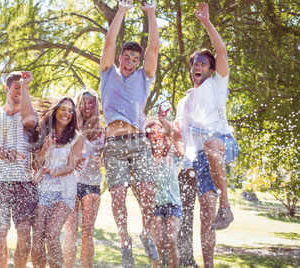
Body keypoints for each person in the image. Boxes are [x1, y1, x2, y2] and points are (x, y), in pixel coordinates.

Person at [174, 3, 239, 267]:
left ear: (210, 70)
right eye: (195, 64)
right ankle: (208, 264)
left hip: (224, 145)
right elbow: (180, 136)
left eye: (203, 63)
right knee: (206, 213)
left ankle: (227, 206)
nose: (198, 66)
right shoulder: (184, 102)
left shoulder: (217, 83)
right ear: (191, 71)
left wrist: (206, 23)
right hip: (200, 159)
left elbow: (221, 51)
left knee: (212, 143)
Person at [99, 0, 160, 265]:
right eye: (127, 57)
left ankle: (145, 233)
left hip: (138, 142)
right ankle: (126, 242)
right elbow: (109, 42)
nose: (131, 62)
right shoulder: (108, 74)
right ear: (120, 58)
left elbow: (155, 48)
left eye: (135, 59)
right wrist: (122, 10)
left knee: (147, 190)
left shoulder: (144, 77)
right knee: (119, 194)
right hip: (114, 144)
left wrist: (151, 12)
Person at [0, 71, 38, 268]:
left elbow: (31, 122)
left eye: (22, 89)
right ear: (6, 89)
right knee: (0, 230)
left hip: (24, 183)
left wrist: (25, 86)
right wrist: (6, 154)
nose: (18, 93)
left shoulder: (30, 113)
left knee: (24, 233)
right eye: (15, 88)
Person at [31, 97, 84, 268]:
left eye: (70, 111)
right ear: (55, 110)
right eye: (63, 109)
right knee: (38, 236)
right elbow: (35, 165)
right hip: (43, 191)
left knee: (52, 233)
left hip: (64, 191)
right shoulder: (42, 132)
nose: (67, 113)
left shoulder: (77, 138)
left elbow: (71, 166)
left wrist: (55, 172)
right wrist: (45, 149)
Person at [64, 90, 105, 268]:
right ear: (78, 104)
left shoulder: (103, 130)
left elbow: (110, 158)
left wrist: (103, 160)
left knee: (87, 231)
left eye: (92, 102)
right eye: (85, 101)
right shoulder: (69, 128)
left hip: (92, 183)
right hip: (71, 182)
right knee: (71, 230)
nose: (88, 105)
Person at [146, 106, 184, 268]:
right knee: (158, 244)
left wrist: (162, 120)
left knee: (172, 241)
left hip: (173, 204)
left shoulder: (172, 152)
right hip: (154, 206)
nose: (156, 135)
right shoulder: (145, 157)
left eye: (159, 131)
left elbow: (177, 137)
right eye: (152, 133)